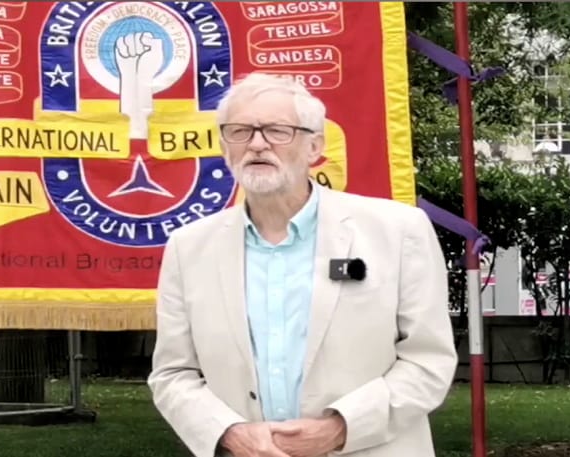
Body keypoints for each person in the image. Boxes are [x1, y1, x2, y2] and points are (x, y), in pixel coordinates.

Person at [147, 72, 458, 457]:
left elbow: (429, 361)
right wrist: (228, 432)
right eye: (240, 131)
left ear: (315, 146)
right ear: (225, 146)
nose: (257, 144)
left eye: (278, 131)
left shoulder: (397, 231)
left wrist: (341, 428)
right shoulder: (188, 247)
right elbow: (173, 374)